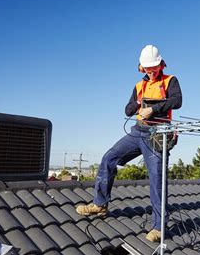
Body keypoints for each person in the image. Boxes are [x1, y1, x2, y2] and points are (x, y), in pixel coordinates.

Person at [76, 44, 182, 242]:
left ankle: (158, 227)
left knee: (157, 177)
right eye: (147, 68)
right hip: (138, 132)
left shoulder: (170, 81)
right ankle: (100, 205)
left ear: (160, 65)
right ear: (142, 67)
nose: (151, 71)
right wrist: (139, 105)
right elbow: (127, 110)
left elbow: (177, 101)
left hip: (157, 134)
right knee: (109, 158)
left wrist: (154, 109)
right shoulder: (139, 86)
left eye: (154, 67)